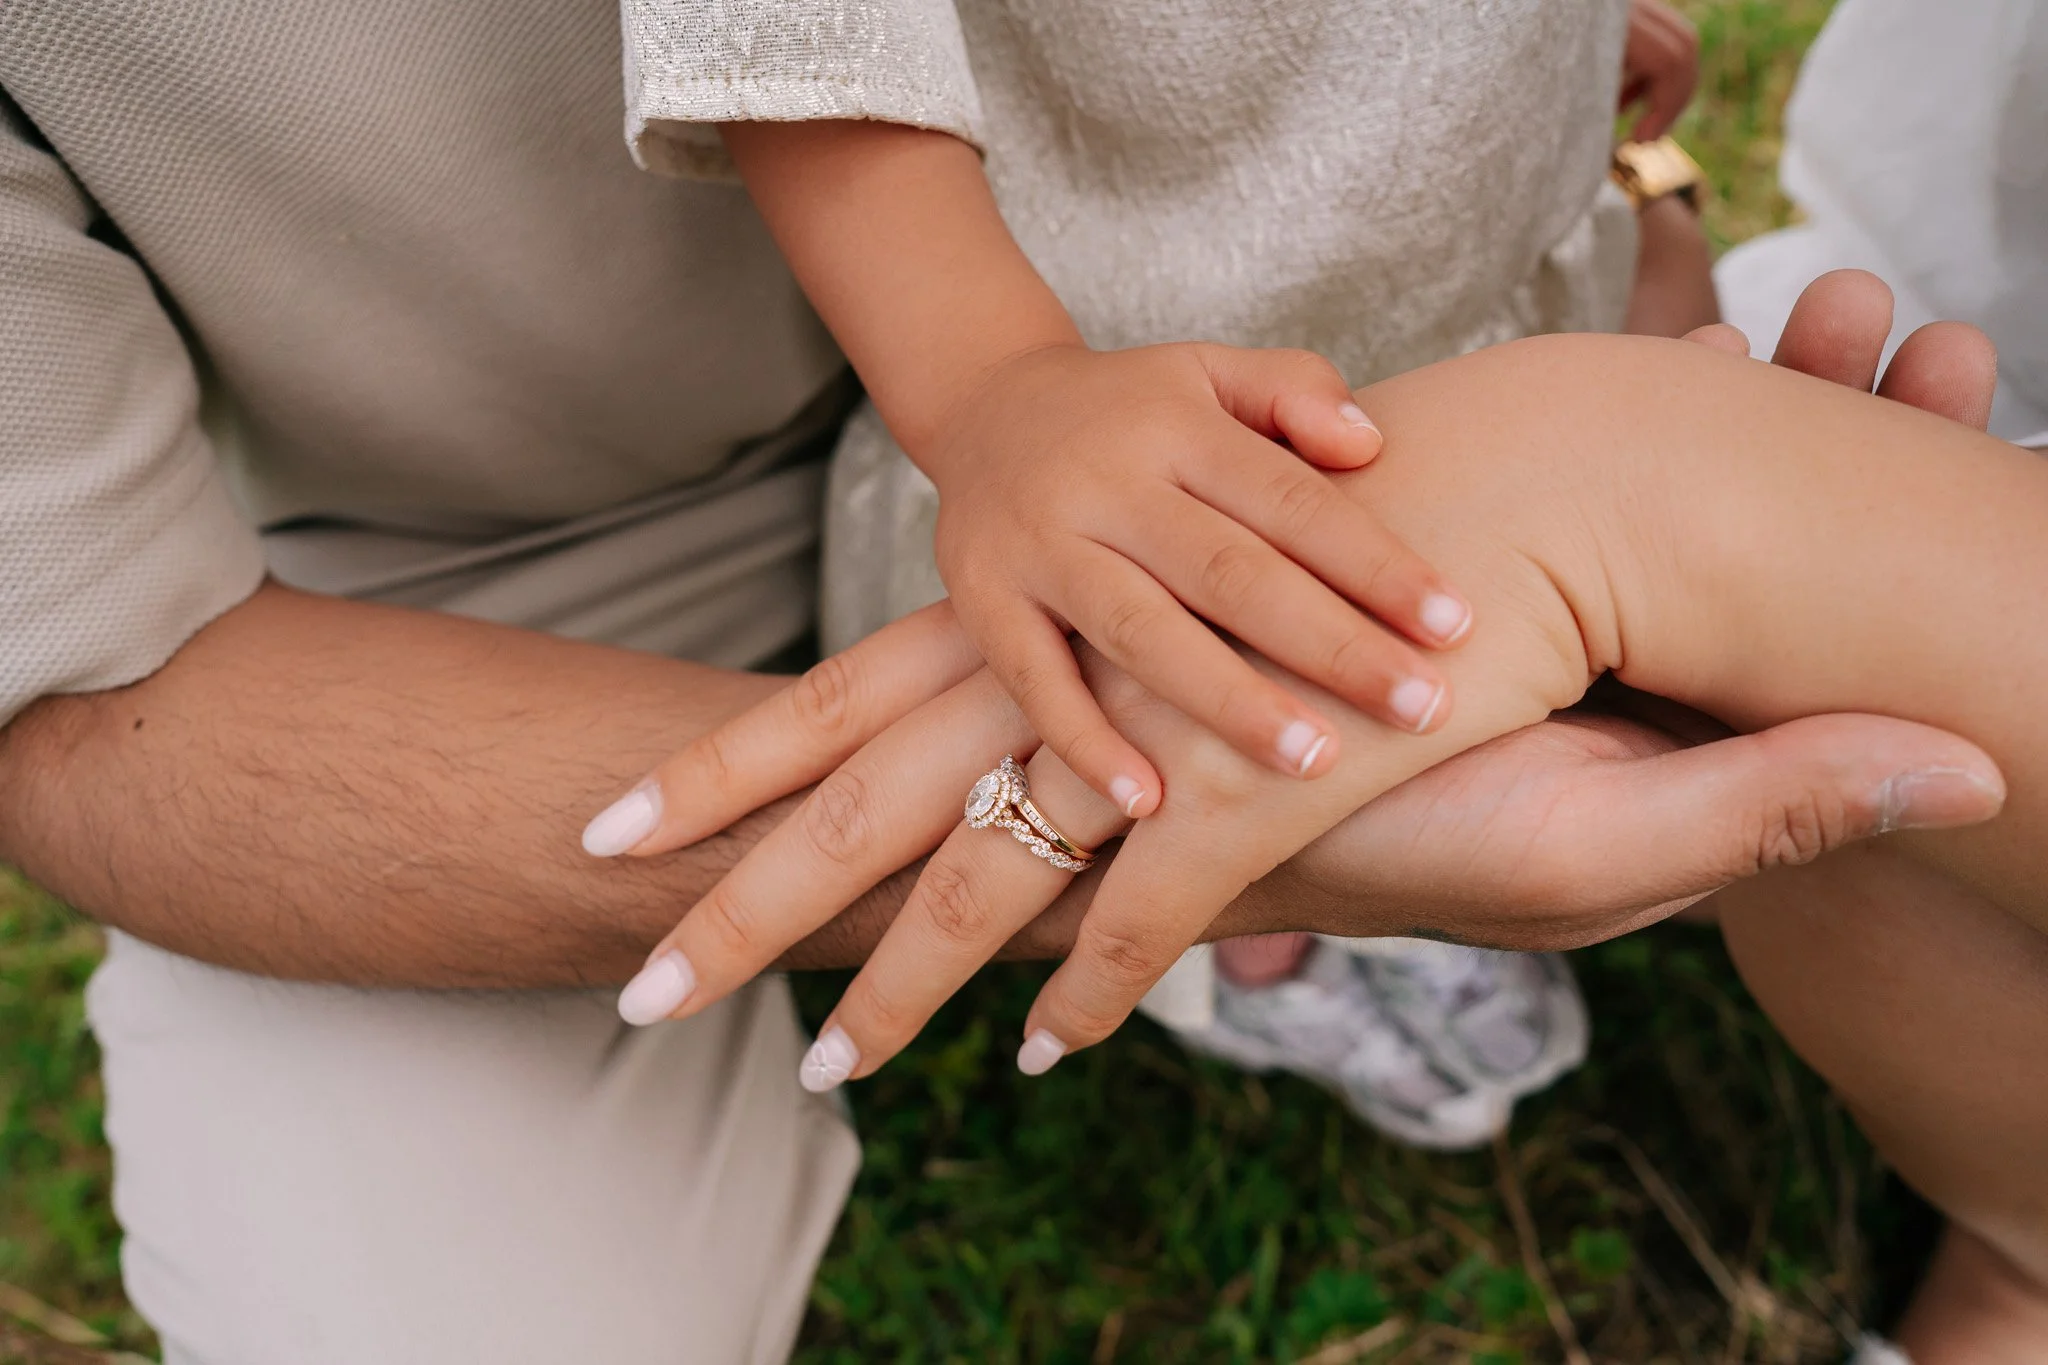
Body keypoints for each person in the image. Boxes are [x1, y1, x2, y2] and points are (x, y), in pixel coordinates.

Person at [0, 2, 1994, 1359]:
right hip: (483, 562)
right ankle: (1262, 905)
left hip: (1252, 319)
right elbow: (88, 714)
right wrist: (1206, 812)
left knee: (1419, 574)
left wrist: (1549, 121)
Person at [608, 273, 2048, 1363]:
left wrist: (1660, 478)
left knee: (1851, 696)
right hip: (1144, 364)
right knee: (1868, 749)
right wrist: (996, 383)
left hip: (1420, 355)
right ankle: (2021, 1249)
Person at [600, 0, 1718, 1147]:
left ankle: (1380, 888)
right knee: (1172, 727)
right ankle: (1250, 938)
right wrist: (993, 383)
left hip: (1460, 237)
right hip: (1094, 346)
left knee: (1438, 675)